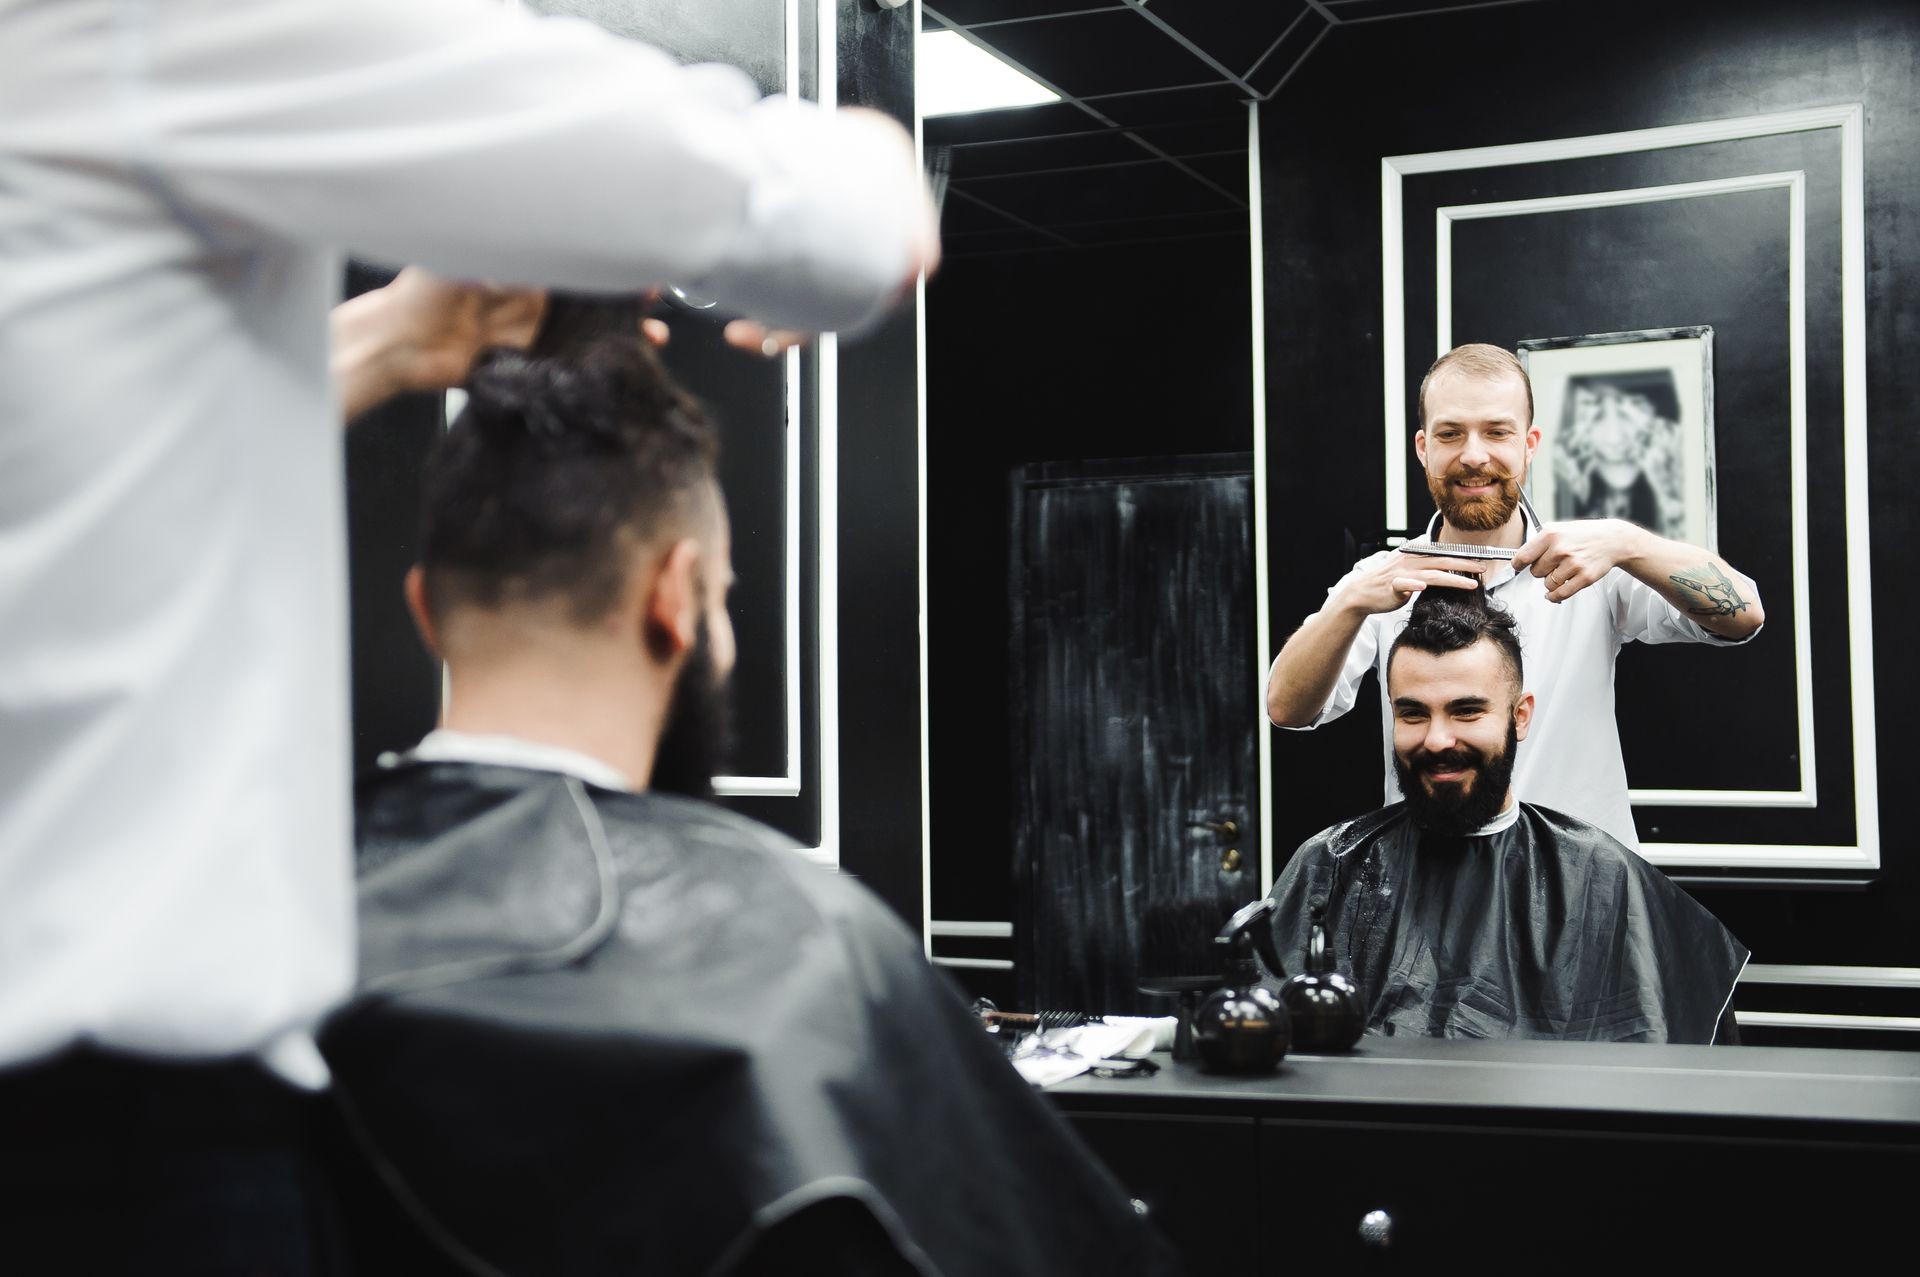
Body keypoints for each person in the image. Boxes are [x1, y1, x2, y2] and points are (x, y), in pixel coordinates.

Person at [0, 0, 934, 1265]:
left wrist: (388, 338)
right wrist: (878, 156)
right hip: (109, 1152)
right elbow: (830, 224)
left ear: (425, 607)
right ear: (681, 595)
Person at [322, 326, 1178, 1275]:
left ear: (425, 608)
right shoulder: (813, 942)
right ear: (676, 595)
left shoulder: (253, 923)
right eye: (723, 596)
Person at [1264, 343, 1765, 850]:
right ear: (1423, 448)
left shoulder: (1593, 562)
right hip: (1434, 879)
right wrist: (1350, 601)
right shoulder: (1382, 581)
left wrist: (1627, 542)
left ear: (1529, 444)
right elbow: (1287, 709)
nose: (1473, 455)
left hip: (1582, 878)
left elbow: (1743, 616)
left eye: (1497, 432)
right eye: (1450, 433)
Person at [1265, 588, 1748, 1043]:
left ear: (1520, 716)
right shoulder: (1334, 866)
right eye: (1413, 714)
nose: (1437, 739)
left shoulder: (1602, 877)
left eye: (1467, 711)